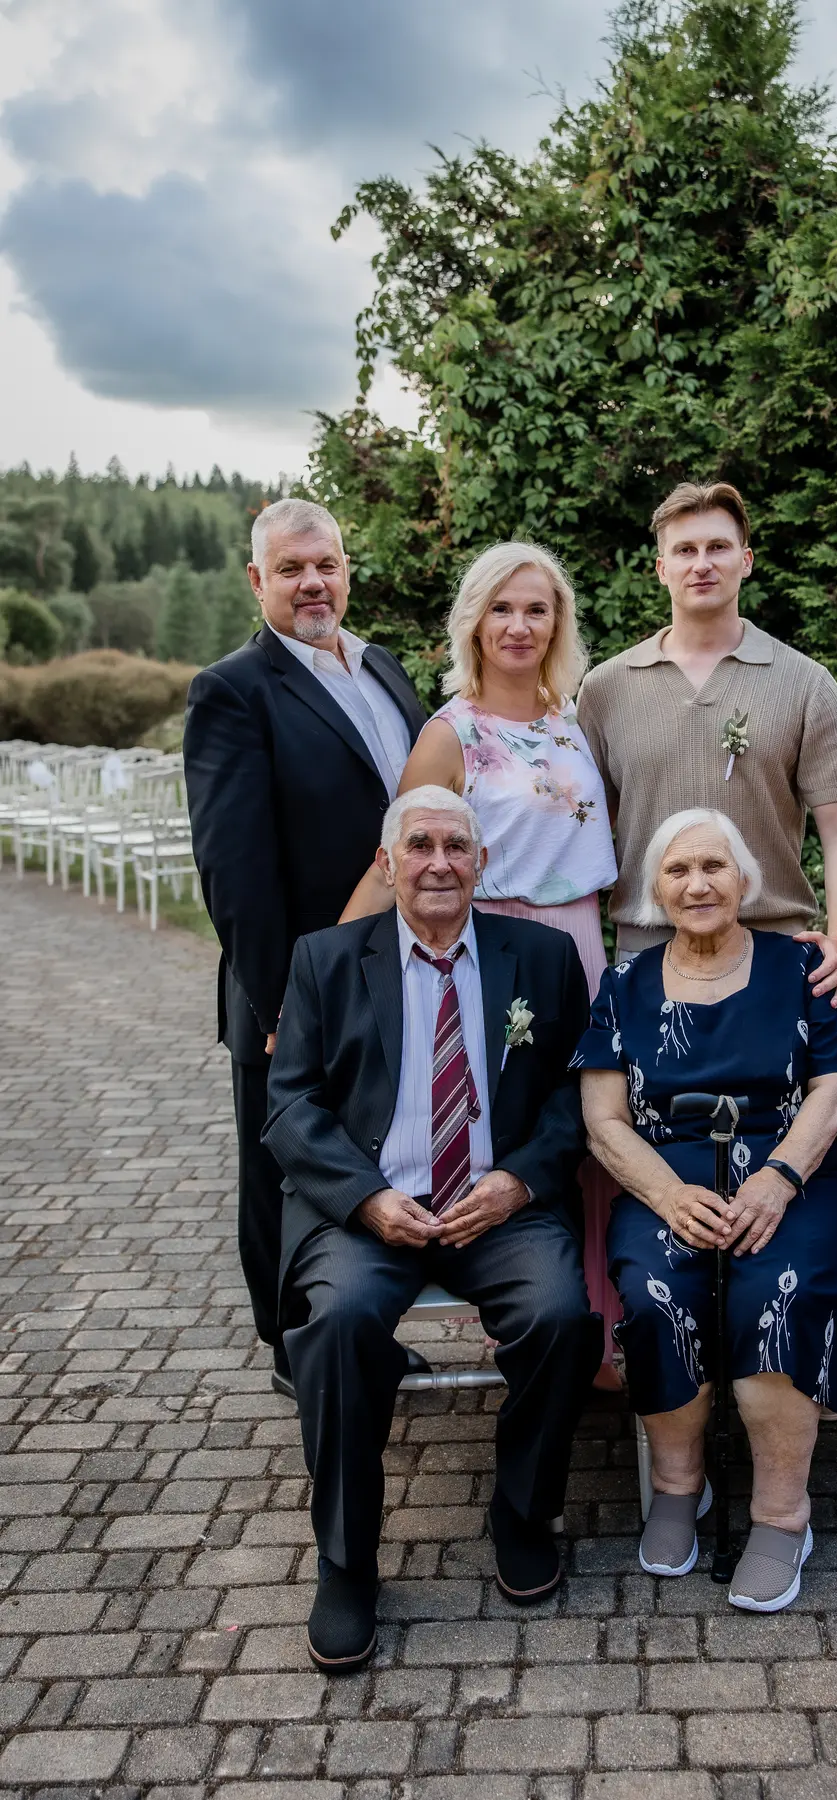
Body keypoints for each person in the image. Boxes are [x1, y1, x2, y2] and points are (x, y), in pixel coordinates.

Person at [265, 787, 602, 1669]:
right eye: (419, 845)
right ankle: (346, 1561)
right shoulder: (325, 959)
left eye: (457, 846)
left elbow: (578, 1093)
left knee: (561, 1317)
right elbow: (290, 1105)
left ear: (483, 863)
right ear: (388, 863)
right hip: (371, 1210)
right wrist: (366, 1198)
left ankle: (523, 1512)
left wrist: (518, 1181)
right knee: (339, 1323)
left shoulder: (543, 957)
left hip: (497, 1206)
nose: (440, 863)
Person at [341, 539, 625, 1386]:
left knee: (594, 1124)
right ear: (474, 621)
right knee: (517, 1125)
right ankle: (531, 1316)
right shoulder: (451, 732)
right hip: (495, 946)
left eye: (536, 609)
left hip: (580, 943)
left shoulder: (573, 718)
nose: (519, 625)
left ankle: (602, 1328)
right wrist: (324, 975)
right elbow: (392, 861)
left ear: (558, 622)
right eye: (502, 608)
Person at [574, 809, 837, 1612]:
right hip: (665, 1182)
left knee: (779, 1289)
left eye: (714, 866)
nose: (697, 884)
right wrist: (668, 1196)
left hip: (790, 1174)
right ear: (655, 890)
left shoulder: (798, 967)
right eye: (678, 870)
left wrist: (777, 1178)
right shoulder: (624, 985)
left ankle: (782, 1513)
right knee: (656, 1288)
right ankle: (679, 1486)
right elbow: (603, 1120)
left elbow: (834, 1089)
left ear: (744, 879)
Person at [184, 499, 426, 1400]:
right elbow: (233, 867)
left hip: (397, 970)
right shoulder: (233, 690)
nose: (312, 583)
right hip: (292, 984)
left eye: (325, 564)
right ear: (258, 581)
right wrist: (280, 1001)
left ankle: (362, 1332)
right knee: (282, 1165)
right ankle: (294, 1347)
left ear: (346, 568)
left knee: (369, 1156)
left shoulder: (383, 666)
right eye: (290, 569)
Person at [576, 482, 837, 1007]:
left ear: (746, 560)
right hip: (647, 953)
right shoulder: (605, 689)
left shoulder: (805, 683)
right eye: (685, 550)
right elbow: (587, 835)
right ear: (661, 568)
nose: (702, 564)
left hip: (775, 952)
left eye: (718, 547)